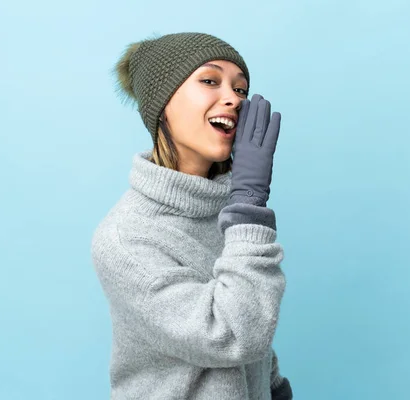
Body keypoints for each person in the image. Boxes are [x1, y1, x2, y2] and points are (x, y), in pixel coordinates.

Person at [91, 32, 293, 400]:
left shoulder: (225, 211)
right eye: (210, 81)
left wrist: (274, 389)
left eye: (241, 89)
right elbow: (231, 335)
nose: (233, 98)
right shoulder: (127, 238)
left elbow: (254, 320)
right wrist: (249, 206)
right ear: (163, 104)